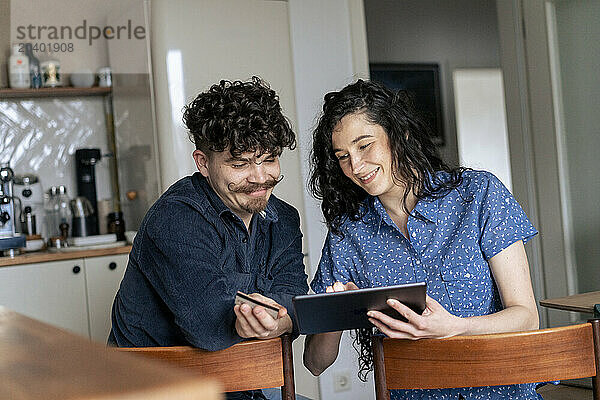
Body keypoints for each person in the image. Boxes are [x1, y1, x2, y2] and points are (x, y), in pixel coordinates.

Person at [304, 79, 541, 399]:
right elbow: (315, 363)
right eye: (343, 156)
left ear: (399, 134)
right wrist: (337, 309)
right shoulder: (349, 233)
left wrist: (456, 327)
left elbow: (526, 318)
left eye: (364, 145)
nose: (356, 166)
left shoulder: (478, 193)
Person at [110, 77, 309, 400]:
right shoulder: (175, 218)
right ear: (203, 163)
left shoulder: (283, 220)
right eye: (240, 163)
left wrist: (281, 323)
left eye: (269, 159)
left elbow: (298, 302)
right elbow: (206, 329)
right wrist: (258, 321)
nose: (260, 178)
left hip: (240, 387)